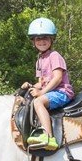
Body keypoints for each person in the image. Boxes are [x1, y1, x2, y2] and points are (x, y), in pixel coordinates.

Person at [21, 17, 73, 152]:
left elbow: (57, 78)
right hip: (50, 91)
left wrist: (41, 93)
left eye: (45, 38)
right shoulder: (39, 60)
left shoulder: (54, 56)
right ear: (33, 41)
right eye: (38, 38)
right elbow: (41, 83)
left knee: (38, 102)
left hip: (62, 92)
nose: (42, 41)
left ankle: (48, 137)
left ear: (52, 39)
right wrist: (31, 86)